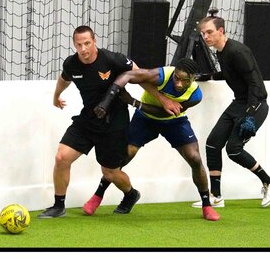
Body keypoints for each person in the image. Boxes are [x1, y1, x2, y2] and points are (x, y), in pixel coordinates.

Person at [82, 58, 221, 221]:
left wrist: (133, 102)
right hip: (144, 119)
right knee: (121, 158)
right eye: (177, 77)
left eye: (185, 80)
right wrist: (107, 101)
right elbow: (126, 75)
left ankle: (206, 205)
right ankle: (99, 196)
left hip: (174, 121)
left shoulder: (195, 95)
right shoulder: (160, 75)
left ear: (193, 79)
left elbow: (164, 112)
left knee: (195, 158)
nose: (178, 84)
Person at [38, 25, 141, 218]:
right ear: (74, 45)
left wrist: (161, 98)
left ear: (94, 41)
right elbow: (64, 79)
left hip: (114, 123)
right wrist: (56, 96)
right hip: (88, 119)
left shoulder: (112, 59)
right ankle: (58, 205)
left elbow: (140, 74)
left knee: (110, 173)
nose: (83, 49)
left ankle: (131, 194)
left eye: (87, 43)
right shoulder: (71, 64)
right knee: (62, 157)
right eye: (79, 45)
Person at [192, 10, 270, 209]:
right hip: (239, 103)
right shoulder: (222, 52)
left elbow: (256, 83)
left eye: (209, 32)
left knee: (233, 150)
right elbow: (231, 74)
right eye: (203, 33)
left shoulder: (237, 51)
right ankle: (216, 196)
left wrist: (251, 114)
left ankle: (268, 181)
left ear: (221, 31)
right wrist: (211, 76)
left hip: (254, 104)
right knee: (213, 144)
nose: (206, 37)